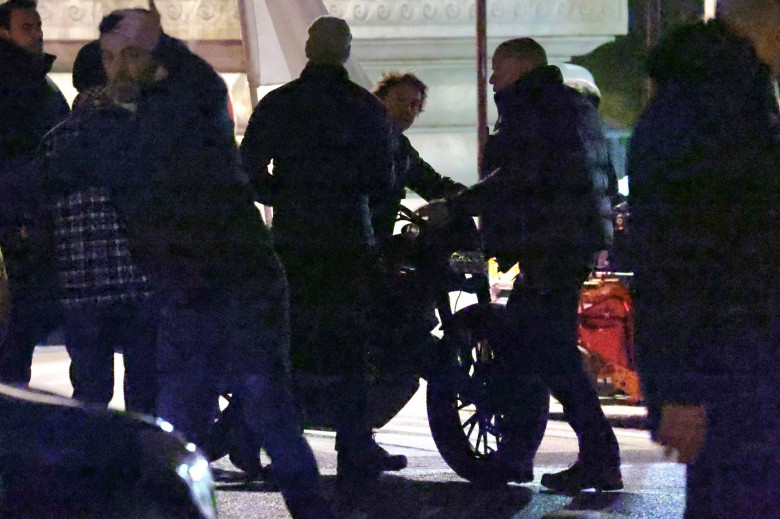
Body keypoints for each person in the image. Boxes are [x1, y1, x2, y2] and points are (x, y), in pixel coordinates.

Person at [91, 6, 332, 517]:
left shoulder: (175, 102)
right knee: (194, 420)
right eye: (108, 58)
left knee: (262, 412)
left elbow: (151, 167)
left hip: (227, 278)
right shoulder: (167, 96)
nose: (113, 69)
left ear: (147, 57)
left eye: (123, 57)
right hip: (194, 281)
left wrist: (115, 117)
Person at [427, 37, 622, 491]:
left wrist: (458, 206)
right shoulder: (572, 107)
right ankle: (523, 455)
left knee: (544, 349)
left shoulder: (535, 107)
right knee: (525, 345)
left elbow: (516, 177)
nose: (492, 79)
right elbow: (598, 177)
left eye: (497, 68)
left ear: (518, 66)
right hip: (567, 243)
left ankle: (594, 455)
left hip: (549, 244)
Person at [628, 0, 780, 516]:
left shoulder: (672, 130)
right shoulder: (759, 125)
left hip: (714, 360)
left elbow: (670, 267)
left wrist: (674, 388)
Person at [240, 16, 402, 490]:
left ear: (309, 48)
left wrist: (284, 196)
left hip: (294, 239)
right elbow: (383, 181)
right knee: (351, 351)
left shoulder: (282, 103)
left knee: (290, 346)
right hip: (350, 240)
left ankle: (282, 447)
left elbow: (248, 167)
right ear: (346, 52)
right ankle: (353, 448)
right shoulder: (365, 109)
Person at [36, 40, 157, 414]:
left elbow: (43, 217)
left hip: (80, 287)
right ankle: (143, 465)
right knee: (144, 391)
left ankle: (91, 467)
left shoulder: (54, 140)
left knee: (89, 395)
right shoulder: (142, 135)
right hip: (139, 281)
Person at [0, 0, 69, 386]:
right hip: (19, 233)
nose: (38, 33)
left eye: (38, 25)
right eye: (27, 27)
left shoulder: (35, 84)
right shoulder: (21, 87)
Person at [370, 72, 464, 244]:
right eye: (399, 99)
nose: (407, 110)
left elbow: (432, 184)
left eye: (414, 105)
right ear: (379, 100)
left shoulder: (401, 149)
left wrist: (474, 199)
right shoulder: (356, 138)